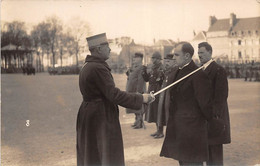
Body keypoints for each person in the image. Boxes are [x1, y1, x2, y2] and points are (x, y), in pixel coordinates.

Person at [76, 33, 153, 166]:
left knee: (91, 153)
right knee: (107, 155)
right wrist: (142, 98)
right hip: (101, 116)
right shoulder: (98, 68)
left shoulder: (88, 66)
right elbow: (113, 94)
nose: (110, 49)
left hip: (89, 114)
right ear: (99, 49)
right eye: (107, 46)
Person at [160, 42, 213, 166]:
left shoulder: (198, 74)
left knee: (192, 162)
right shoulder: (176, 71)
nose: (174, 58)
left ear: (187, 56)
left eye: (177, 55)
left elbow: (205, 104)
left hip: (192, 130)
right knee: (183, 161)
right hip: (178, 128)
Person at [198, 42, 231, 166]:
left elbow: (221, 96)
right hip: (205, 117)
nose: (199, 55)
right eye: (198, 52)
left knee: (215, 151)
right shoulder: (200, 70)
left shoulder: (218, 70)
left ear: (210, 53)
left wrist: (214, 117)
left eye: (202, 52)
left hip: (214, 117)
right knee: (206, 150)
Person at [142, 51, 164, 137]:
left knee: (158, 110)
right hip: (151, 89)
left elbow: (161, 80)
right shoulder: (153, 67)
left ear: (159, 59)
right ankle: (158, 130)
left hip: (158, 90)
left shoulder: (161, 68)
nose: (153, 60)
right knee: (154, 111)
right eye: (152, 58)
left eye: (154, 58)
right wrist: (143, 72)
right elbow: (147, 79)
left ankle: (160, 131)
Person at [156, 53, 178, 138]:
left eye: (168, 61)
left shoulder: (175, 70)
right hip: (163, 94)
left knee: (168, 114)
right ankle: (160, 131)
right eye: (165, 61)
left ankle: (170, 134)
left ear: (174, 62)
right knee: (161, 112)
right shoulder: (166, 70)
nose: (166, 63)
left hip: (169, 95)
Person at [125, 52, 146, 129]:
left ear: (141, 59)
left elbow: (141, 81)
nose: (134, 59)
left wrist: (139, 91)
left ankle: (139, 122)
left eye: (136, 58)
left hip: (136, 90)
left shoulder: (141, 68)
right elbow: (129, 76)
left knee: (138, 106)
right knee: (133, 106)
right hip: (131, 90)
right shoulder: (133, 67)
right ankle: (136, 120)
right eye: (134, 57)